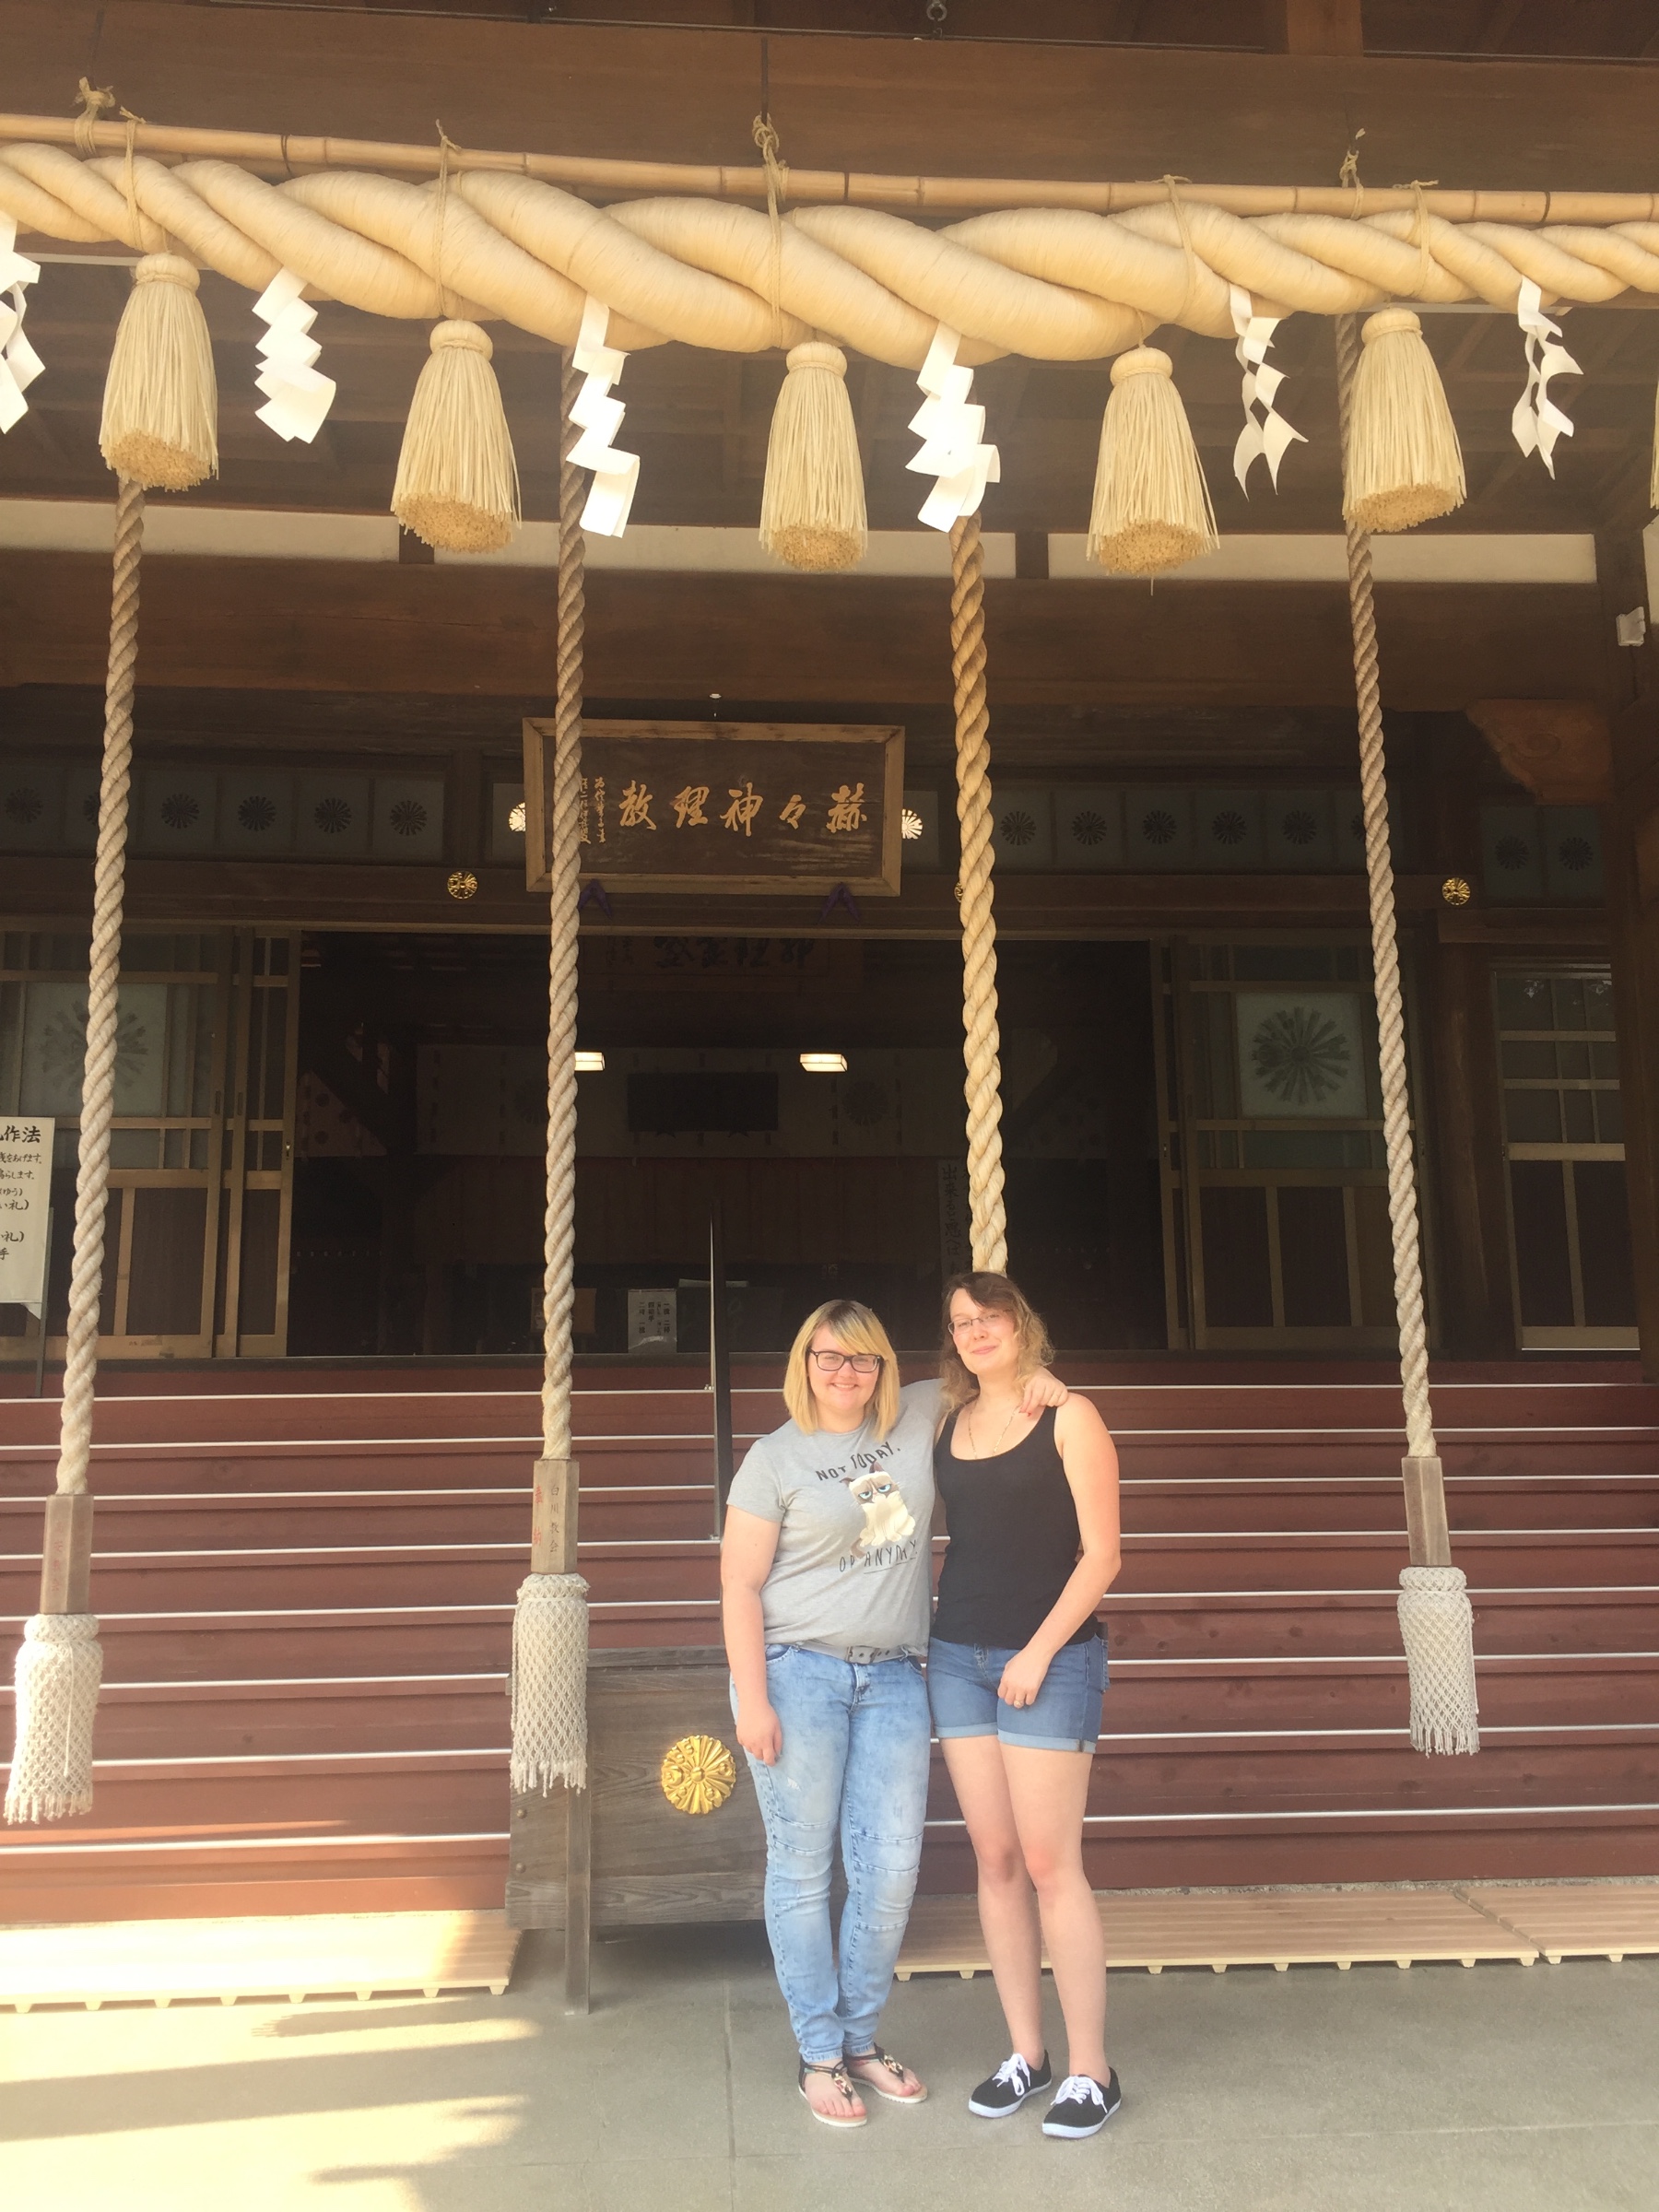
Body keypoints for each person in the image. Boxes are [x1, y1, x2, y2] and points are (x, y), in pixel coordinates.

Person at [721, 1295, 1065, 2129]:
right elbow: (738, 1584)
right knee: (803, 1870)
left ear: (883, 1364)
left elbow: (995, 1371)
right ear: (804, 1364)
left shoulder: (918, 1410)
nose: (846, 1372)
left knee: (889, 1874)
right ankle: (819, 2054)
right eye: (829, 1357)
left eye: (863, 1357)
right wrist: (752, 1699)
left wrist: (1045, 1382)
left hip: (896, 1680)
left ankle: (860, 2041)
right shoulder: (773, 1459)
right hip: (796, 1673)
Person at [927, 1269, 1124, 2140]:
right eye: (960, 1322)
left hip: (1051, 1660)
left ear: (1020, 1324)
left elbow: (1103, 1556)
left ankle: (1092, 2071)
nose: (975, 1332)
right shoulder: (947, 1419)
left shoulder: (1069, 1416)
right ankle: (1027, 2055)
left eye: (989, 1317)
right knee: (998, 1861)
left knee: (1050, 1865)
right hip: (956, 1658)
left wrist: (1038, 1652)